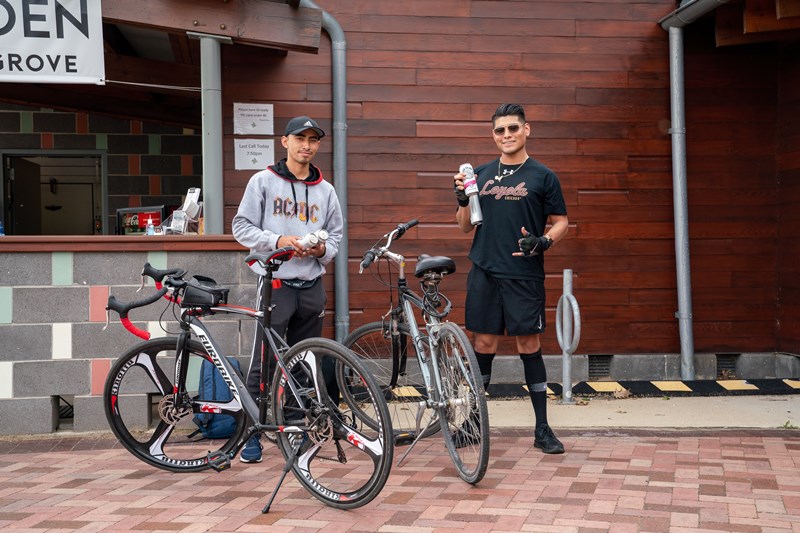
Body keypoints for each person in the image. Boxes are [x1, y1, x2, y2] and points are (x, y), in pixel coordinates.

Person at [453, 103, 569, 454]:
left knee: (528, 346)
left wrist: (543, 241)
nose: (507, 135)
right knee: (483, 345)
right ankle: (473, 423)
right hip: (485, 270)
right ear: (493, 135)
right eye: (500, 130)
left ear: (526, 130)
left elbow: (561, 221)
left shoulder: (543, 176)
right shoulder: (480, 174)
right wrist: (462, 200)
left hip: (523, 273)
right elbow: (464, 226)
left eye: (513, 128)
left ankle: (542, 429)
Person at [232, 115, 344, 463]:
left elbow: (336, 236)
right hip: (275, 284)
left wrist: (320, 250)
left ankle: (295, 430)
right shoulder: (263, 181)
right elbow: (241, 227)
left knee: (303, 363)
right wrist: (279, 240)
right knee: (263, 363)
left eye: (313, 140)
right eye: (300, 138)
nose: (306, 145)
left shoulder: (326, 190)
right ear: (285, 141)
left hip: (311, 286)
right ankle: (251, 433)